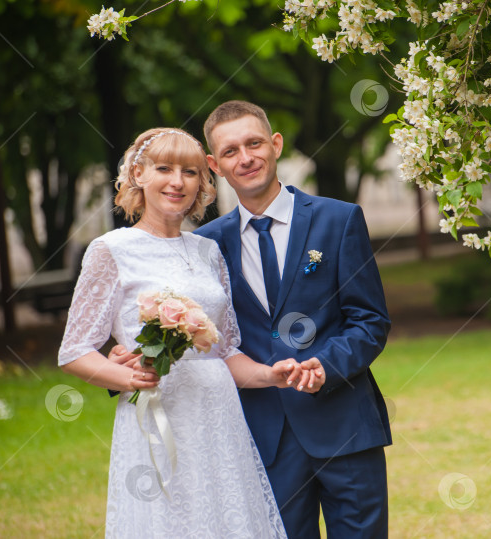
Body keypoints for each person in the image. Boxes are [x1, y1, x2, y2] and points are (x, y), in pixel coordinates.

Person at [58, 127, 319, 537]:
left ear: (203, 183)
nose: (178, 182)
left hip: (219, 414)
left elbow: (226, 350)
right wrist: (130, 376)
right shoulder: (111, 250)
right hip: (160, 414)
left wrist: (271, 375)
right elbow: (74, 351)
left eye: (191, 172)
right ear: (139, 174)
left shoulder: (207, 250)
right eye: (164, 168)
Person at [195, 101, 392, 538]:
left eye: (254, 143)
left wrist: (328, 365)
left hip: (344, 426)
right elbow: (211, 342)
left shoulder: (338, 220)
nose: (245, 158)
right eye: (230, 152)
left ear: (276, 144)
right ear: (214, 165)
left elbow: (371, 320)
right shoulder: (205, 246)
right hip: (263, 438)